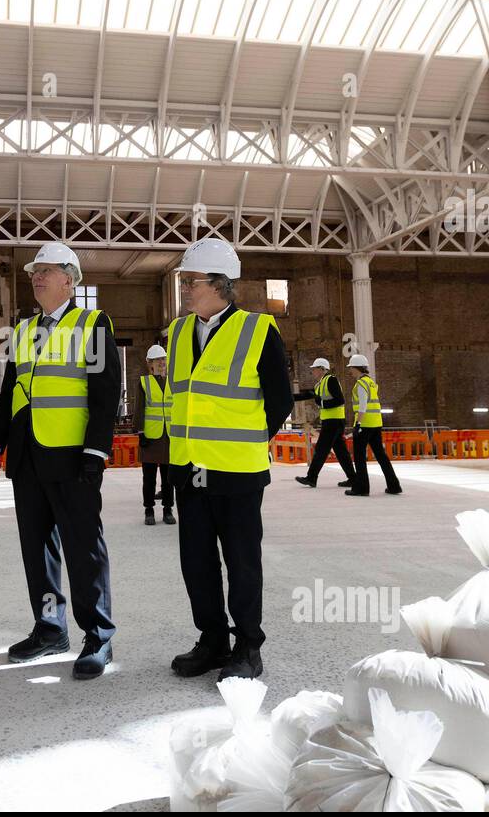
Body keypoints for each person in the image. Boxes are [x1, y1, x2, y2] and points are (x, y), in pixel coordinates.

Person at [0, 241, 121, 679]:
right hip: (28, 457)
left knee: (84, 547)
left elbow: (104, 394)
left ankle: (98, 636)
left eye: (45, 270)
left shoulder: (93, 324)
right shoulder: (23, 331)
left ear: (70, 279)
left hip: (73, 456)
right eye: (33, 272)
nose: (36, 277)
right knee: (37, 548)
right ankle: (49, 629)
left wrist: (96, 452)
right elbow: (10, 393)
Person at [166, 237, 293, 682]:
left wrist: (245, 442)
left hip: (238, 472)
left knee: (241, 562)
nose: (184, 289)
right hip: (189, 468)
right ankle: (212, 640)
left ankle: (247, 647)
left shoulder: (258, 330)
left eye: (191, 281)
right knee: (197, 563)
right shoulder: (179, 332)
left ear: (220, 284)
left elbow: (279, 402)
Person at [292, 357, 356, 488]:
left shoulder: (330, 380)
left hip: (333, 422)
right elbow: (308, 395)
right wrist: (289, 398)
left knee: (321, 449)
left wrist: (322, 403)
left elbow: (340, 400)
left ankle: (311, 478)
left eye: (314, 369)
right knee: (341, 452)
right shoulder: (320, 384)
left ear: (322, 369)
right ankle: (353, 479)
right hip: (332, 422)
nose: (313, 372)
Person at [344, 354, 402, 497]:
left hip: (365, 424)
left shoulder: (361, 384)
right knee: (381, 456)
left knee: (359, 457)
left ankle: (361, 488)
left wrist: (358, 424)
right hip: (376, 424)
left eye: (350, 367)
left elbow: (363, 406)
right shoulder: (370, 382)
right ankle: (394, 486)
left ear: (355, 367)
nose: (350, 370)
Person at [138, 343, 175, 526]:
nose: (161, 362)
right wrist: (140, 433)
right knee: (149, 477)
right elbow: (139, 409)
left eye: (163, 359)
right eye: (157, 360)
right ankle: (149, 510)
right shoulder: (144, 382)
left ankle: (168, 510)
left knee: (169, 478)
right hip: (151, 437)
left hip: (169, 437)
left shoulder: (173, 382)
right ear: (150, 364)